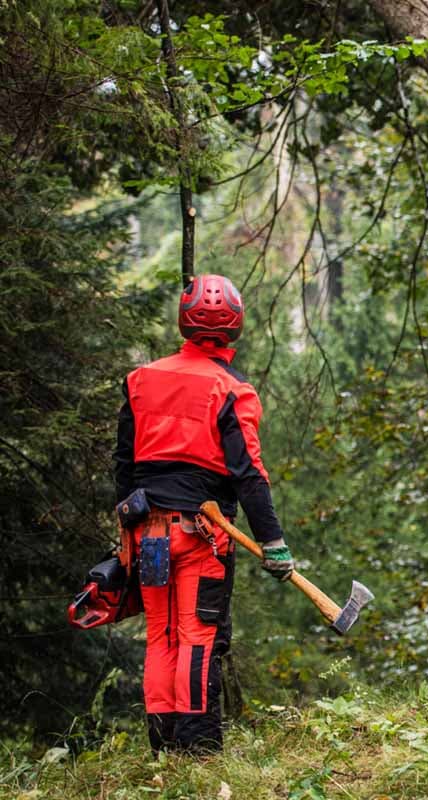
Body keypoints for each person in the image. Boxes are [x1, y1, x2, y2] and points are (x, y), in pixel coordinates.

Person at [113, 274, 294, 754]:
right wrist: (273, 541)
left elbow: (123, 468)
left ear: (183, 319)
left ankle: (162, 750)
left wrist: (125, 536)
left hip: (147, 531)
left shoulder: (140, 380)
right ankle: (197, 752)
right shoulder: (233, 390)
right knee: (197, 638)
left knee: (160, 635)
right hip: (201, 536)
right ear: (235, 326)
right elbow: (249, 474)